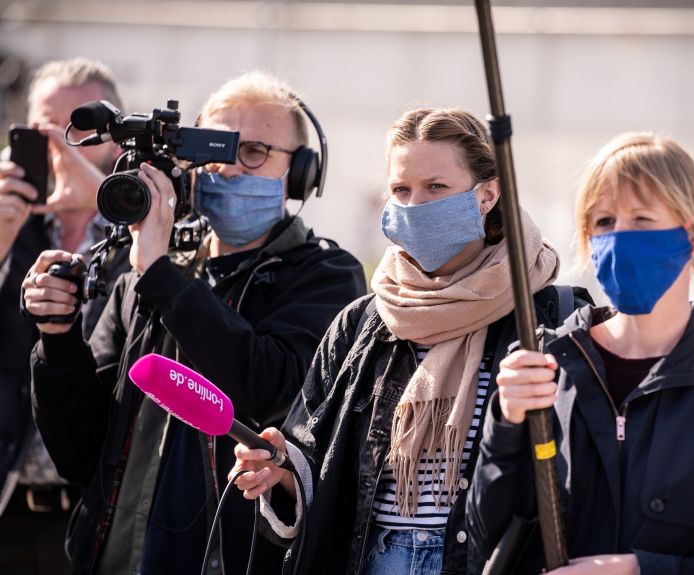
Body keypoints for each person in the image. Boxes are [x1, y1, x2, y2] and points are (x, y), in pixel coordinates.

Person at [23, 70, 367, 575]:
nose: (228, 169)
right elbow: (80, 453)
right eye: (216, 150)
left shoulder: (326, 276)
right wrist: (57, 340)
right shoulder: (150, 275)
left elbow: (271, 393)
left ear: (299, 174)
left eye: (252, 152)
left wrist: (159, 274)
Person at [228, 108, 591, 575]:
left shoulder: (548, 318)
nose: (414, 205)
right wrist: (283, 473)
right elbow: (319, 466)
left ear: (487, 194)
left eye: (435, 187)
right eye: (401, 190)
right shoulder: (362, 323)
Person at [466, 132, 694, 574]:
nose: (620, 237)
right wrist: (506, 425)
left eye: (642, 219)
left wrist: (640, 570)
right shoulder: (546, 363)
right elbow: (485, 537)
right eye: (604, 222)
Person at [0, 57, 129, 573]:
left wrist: (107, 206)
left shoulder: (139, 227)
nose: (58, 142)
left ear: (118, 140)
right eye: (43, 128)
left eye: (78, 127)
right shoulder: (10, 221)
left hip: (91, 508)